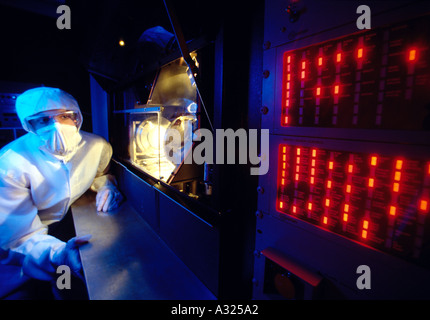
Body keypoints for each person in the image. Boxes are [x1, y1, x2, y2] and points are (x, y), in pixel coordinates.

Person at [0, 87, 123, 299]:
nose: (57, 126)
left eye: (65, 116)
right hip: (19, 255)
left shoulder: (97, 146)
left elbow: (100, 172)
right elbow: (18, 237)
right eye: (43, 120)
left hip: (63, 224)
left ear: (77, 117)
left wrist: (106, 186)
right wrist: (58, 254)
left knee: (65, 288)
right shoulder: (9, 164)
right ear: (28, 125)